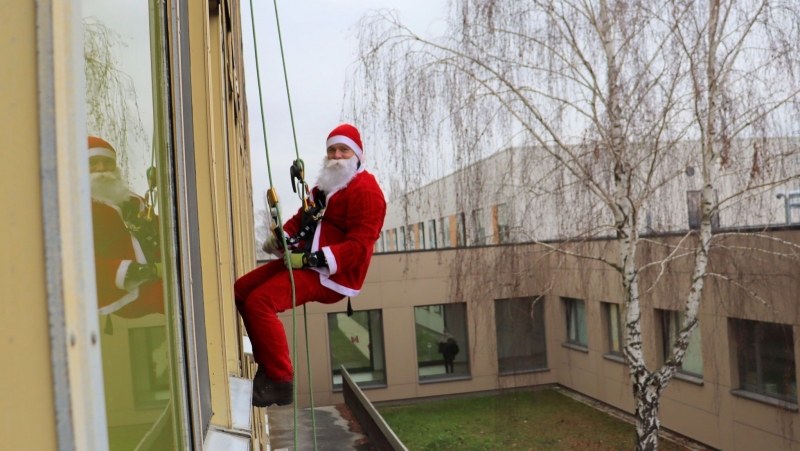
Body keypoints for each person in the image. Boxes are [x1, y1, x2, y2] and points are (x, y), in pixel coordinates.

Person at [234, 124, 386, 407]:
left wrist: (317, 259)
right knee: (243, 290)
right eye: (332, 150)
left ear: (357, 155)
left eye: (343, 150)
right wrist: (282, 239)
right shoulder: (325, 185)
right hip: (306, 261)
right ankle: (268, 364)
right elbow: (303, 218)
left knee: (260, 303)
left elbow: (360, 248)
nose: (337, 156)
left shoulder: (367, 191)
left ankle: (280, 381)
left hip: (331, 275)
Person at [88, 136, 164, 324]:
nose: (102, 169)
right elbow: (72, 260)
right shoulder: (74, 209)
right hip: (117, 291)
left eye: (108, 162)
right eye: (93, 163)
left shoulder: (132, 200)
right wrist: (124, 271)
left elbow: (160, 230)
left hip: (154, 277)